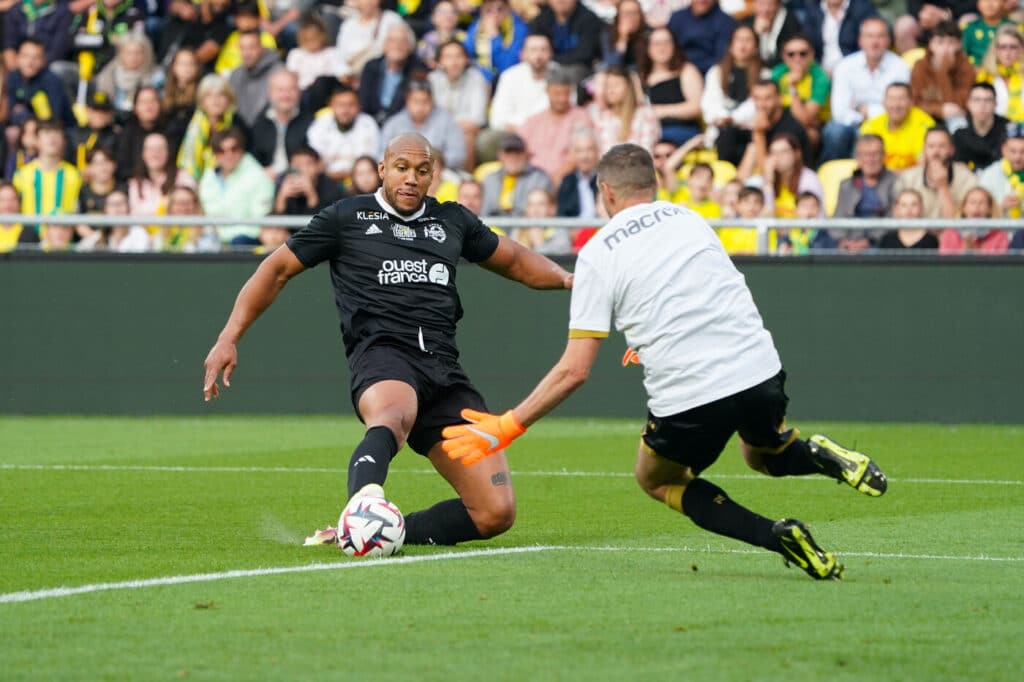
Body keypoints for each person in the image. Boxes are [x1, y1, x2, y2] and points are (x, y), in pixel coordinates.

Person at [440, 143, 887, 580]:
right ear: (652, 185)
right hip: (759, 367)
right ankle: (820, 455)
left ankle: (777, 536)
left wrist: (509, 425)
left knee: (657, 479)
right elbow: (711, 293)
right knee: (766, 454)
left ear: (605, 191)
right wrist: (653, 337)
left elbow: (574, 370)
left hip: (692, 394)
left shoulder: (598, 251)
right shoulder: (690, 219)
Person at [202, 132, 574, 548]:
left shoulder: (452, 220)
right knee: (393, 416)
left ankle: (372, 530)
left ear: (432, 175)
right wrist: (228, 337)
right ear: (383, 170)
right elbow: (275, 270)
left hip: (444, 370)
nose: (411, 178)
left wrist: (566, 279)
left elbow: (517, 261)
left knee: (495, 512)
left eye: (422, 170)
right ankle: (362, 505)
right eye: (402, 168)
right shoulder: (346, 218)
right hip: (383, 356)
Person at [822, 18, 911, 163]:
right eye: (869, 36)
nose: (875, 42)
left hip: (888, 126)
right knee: (835, 131)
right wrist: (866, 116)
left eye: (880, 36)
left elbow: (899, 107)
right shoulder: (845, 66)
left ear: (889, 40)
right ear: (860, 40)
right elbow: (839, 113)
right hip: (852, 127)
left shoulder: (900, 67)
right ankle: (834, 171)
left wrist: (862, 109)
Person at [197, 127, 275, 246]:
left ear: (242, 150)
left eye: (233, 149)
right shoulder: (208, 177)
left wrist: (222, 235)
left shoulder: (259, 176)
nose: (228, 155)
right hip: (211, 239)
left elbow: (259, 222)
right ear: (215, 154)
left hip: (244, 240)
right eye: (221, 150)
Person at [519, 66, 595, 186]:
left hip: (567, 181)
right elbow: (519, 150)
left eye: (566, 93)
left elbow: (580, 155)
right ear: (547, 91)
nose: (562, 99)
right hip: (532, 179)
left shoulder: (581, 117)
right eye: (557, 94)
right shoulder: (533, 121)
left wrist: (556, 178)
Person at [702, 24, 766, 160]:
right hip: (721, 129)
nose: (743, 45)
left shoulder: (764, 74)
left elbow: (759, 104)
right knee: (727, 135)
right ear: (731, 45)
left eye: (748, 40)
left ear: (756, 46)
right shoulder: (716, 72)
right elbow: (709, 102)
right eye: (739, 40)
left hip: (749, 129)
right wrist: (724, 118)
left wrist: (733, 119)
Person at [427, 40, 490, 172]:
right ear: (439, 61)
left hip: (467, 131)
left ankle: (466, 177)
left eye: (459, 56)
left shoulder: (476, 78)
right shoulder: (432, 80)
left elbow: (477, 119)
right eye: (448, 57)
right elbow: (429, 116)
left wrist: (449, 125)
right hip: (438, 130)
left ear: (466, 59)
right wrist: (451, 125)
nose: (454, 62)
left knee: (467, 135)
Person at [379, 79, 467, 171]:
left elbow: (458, 155)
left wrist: (433, 163)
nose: (420, 107)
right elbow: (382, 155)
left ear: (432, 101)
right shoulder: (394, 124)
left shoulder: (446, 120)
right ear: (407, 101)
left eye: (425, 101)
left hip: (438, 173)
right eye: (416, 101)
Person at [639, 27, 704, 146]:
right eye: (657, 43)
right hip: (648, 132)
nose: (662, 48)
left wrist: (661, 111)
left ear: (674, 46)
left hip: (680, 132)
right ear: (648, 48)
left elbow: (697, 107)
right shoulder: (641, 77)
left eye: (667, 42)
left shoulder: (686, 70)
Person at [830, 134, 897, 251]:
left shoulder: (895, 182)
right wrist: (843, 241)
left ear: (883, 156)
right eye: (865, 155)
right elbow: (838, 217)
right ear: (858, 158)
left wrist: (869, 241)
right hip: (849, 242)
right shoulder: (846, 185)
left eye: (875, 154)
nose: (870, 160)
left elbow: (893, 218)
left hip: (880, 243)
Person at [894, 126, 977, 217]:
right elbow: (897, 217)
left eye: (942, 146)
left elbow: (958, 221)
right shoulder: (908, 178)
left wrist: (943, 187)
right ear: (924, 149)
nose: (936, 152)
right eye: (931, 146)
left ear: (952, 150)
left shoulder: (966, 178)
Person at [306, 84, 381, 184]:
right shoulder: (320, 124)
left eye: (351, 105)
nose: (345, 110)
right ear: (331, 105)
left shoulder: (368, 124)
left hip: (358, 184)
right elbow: (314, 164)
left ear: (359, 106)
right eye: (340, 105)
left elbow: (369, 166)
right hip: (324, 183)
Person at [358, 23, 430, 127]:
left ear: (410, 47)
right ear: (384, 45)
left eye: (403, 41)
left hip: (404, 125)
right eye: (392, 40)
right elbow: (364, 103)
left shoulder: (418, 69)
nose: (397, 45)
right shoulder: (371, 67)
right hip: (371, 123)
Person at [249, 68, 313, 181]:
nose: (285, 95)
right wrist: (261, 173)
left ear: (299, 92)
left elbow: (313, 161)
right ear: (270, 93)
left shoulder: (311, 123)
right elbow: (252, 159)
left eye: (291, 89)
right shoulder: (259, 123)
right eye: (280, 90)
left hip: (299, 180)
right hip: (265, 180)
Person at [910, 20, 975, 129]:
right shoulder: (920, 66)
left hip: (956, 117)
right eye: (940, 42)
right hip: (926, 117)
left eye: (951, 43)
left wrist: (943, 72)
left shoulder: (966, 67)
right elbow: (915, 103)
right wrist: (939, 109)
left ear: (959, 45)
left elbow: (959, 105)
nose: (945, 49)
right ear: (931, 44)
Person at [771, 33, 830, 153]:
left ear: (812, 55)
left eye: (803, 53)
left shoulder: (820, 77)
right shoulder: (778, 73)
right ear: (784, 56)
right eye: (791, 54)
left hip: (812, 128)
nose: (797, 58)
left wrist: (792, 87)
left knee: (807, 134)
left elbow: (805, 119)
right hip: (782, 122)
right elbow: (768, 107)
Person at [860, 82, 936, 172]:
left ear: (911, 102)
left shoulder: (925, 125)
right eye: (891, 99)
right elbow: (863, 165)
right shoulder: (871, 126)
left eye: (901, 99)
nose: (896, 105)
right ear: (884, 102)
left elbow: (923, 168)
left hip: (912, 179)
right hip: (881, 179)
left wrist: (891, 175)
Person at [588, 65, 662, 154]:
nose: (611, 90)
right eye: (607, 85)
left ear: (628, 87)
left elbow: (645, 153)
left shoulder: (645, 115)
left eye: (616, 84)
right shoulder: (601, 117)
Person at [528, 0, 603, 82]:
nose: (560, 1)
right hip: (547, 64)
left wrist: (551, 59)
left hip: (578, 69)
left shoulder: (589, 19)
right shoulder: (542, 19)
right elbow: (533, 43)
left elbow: (584, 54)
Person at [482, 133, 554, 217]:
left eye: (518, 152)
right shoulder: (491, 180)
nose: (513, 157)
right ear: (500, 155)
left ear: (526, 154)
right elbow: (485, 212)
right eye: (508, 152)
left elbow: (541, 213)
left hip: (527, 224)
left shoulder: (539, 178)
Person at [800, 0, 879, 74]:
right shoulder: (813, 8)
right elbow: (807, 43)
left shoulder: (861, 8)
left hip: (854, 69)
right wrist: (820, 72)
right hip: (821, 70)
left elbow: (869, 42)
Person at [227, 30, 282, 128]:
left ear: (261, 48)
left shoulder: (279, 72)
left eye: (251, 48)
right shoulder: (236, 74)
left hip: (270, 129)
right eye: (242, 48)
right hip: (241, 131)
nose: (246, 54)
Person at [463, 0, 528, 83]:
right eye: (488, 10)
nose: (495, 14)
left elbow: (508, 66)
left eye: (500, 9)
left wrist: (494, 37)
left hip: (509, 82)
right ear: (481, 12)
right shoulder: (476, 27)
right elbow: (467, 57)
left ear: (508, 9)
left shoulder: (519, 29)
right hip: (479, 81)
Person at [666, 0, 736, 76]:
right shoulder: (677, 17)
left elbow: (721, 58)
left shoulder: (725, 22)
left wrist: (690, 70)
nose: (701, 1)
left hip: (709, 74)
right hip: (674, 71)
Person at [953, 81, 1008, 171]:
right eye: (977, 100)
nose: (982, 105)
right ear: (968, 103)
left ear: (995, 104)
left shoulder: (1008, 130)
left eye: (987, 100)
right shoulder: (960, 132)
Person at [974, 25, 1024, 123]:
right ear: (995, 50)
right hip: (994, 128)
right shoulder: (985, 76)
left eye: (1013, 47)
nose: (1008, 52)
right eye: (1003, 47)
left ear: (1022, 49)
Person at [939, 185, 1010, 252]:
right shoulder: (950, 233)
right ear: (963, 208)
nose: (977, 206)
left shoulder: (1000, 235)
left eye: (982, 202)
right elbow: (945, 260)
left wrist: (973, 251)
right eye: (972, 202)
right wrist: (966, 249)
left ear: (990, 208)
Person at [978, 121, 1024, 216]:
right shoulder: (990, 174)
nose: (1018, 157)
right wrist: (1001, 207)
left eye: (1023, 152)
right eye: (1013, 151)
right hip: (998, 225)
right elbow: (979, 214)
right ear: (1003, 149)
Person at [741, 0, 802, 68]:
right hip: (753, 68)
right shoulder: (746, 23)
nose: (766, 9)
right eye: (761, 3)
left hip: (780, 67)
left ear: (778, 6)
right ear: (754, 4)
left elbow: (790, 53)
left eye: (771, 4)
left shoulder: (790, 23)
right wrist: (755, 34)